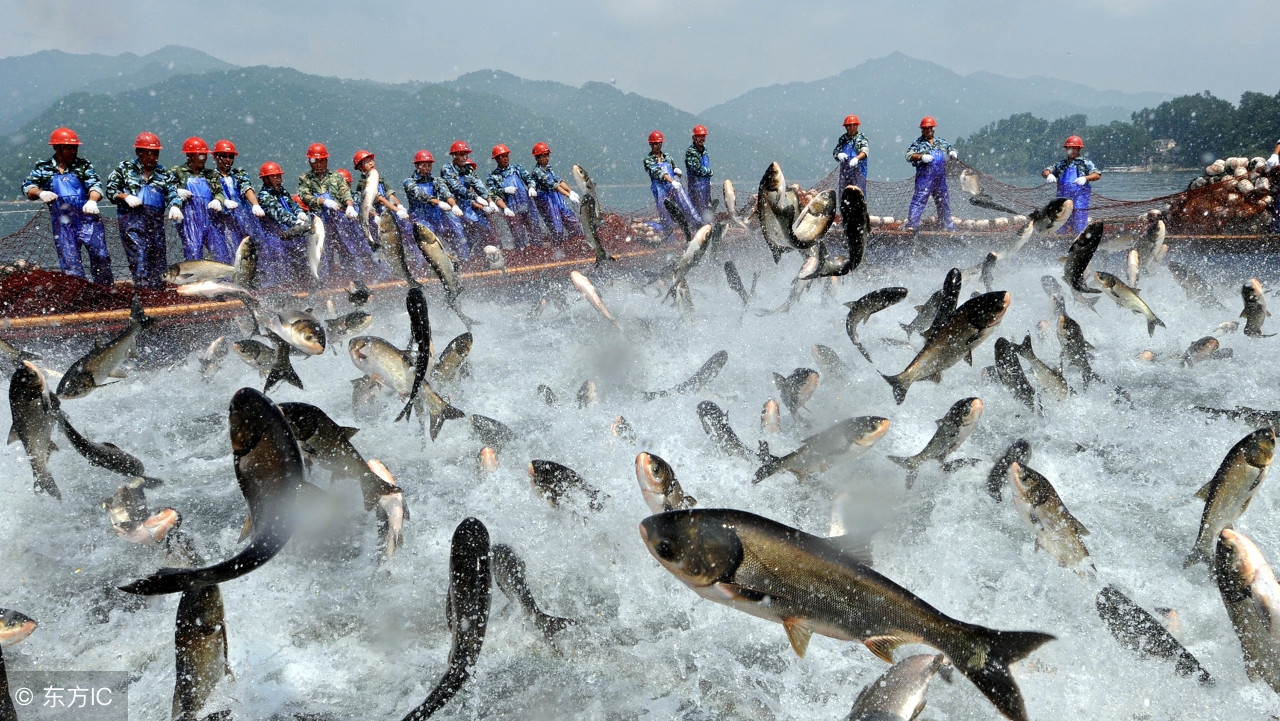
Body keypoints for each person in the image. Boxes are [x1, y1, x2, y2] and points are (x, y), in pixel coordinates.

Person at [22, 127, 113, 284]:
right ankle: (78, 296)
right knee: (70, 262)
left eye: (75, 148)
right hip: (63, 223)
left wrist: (92, 200)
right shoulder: (43, 167)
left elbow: (96, 186)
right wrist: (41, 193)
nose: (73, 151)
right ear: (57, 148)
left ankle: (106, 291)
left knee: (101, 257)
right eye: (69, 148)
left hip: (88, 220)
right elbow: (28, 187)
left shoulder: (83, 165)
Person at [103, 132, 180, 289]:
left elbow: (173, 192)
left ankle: (158, 295)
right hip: (132, 224)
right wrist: (125, 197)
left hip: (156, 225)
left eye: (156, 153)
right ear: (138, 152)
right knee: (139, 257)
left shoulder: (164, 173)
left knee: (159, 261)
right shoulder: (124, 169)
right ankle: (143, 294)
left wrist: (175, 205)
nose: (152, 157)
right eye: (149, 153)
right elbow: (110, 190)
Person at [297, 142, 369, 280]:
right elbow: (305, 196)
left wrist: (349, 206)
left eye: (321, 161)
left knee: (348, 247)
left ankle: (355, 278)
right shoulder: (305, 179)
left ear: (326, 161)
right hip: (318, 220)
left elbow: (345, 192)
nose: (318, 164)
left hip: (338, 219)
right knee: (323, 251)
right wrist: (323, 201)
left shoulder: (336, 177)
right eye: (314, 161)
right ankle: (323, 281)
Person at [212, 139, 279, 282]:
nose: (228, 160)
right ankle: (232, 287)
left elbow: (247, 188)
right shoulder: (211, 176)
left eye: (231, 156)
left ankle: (264, 283)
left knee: (256, 251)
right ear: (215, 157)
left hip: (244, 220)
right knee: (229, 255)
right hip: (225, 224)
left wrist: (255, 204)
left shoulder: (239, 174)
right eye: (224, 156)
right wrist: (223, 201)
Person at [170, 137, 233, 263]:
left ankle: (225, 282)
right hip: (190, 220)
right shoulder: (178, 172)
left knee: (220, 253)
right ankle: (194, 282)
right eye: (200, 155)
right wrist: (176, 191)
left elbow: (219, 192)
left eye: (205, 155)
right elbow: (167, 188)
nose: (203, 158)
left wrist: (218, 200)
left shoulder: (211, 175)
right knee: (193, 253)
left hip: (211, 220)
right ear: (190, 156)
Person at [402, 149, 469, 257]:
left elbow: (446, 193)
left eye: (429, 165)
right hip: (419, 217)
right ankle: (423, 265)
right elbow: (420, 195)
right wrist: (438, 202)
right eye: (424, 165)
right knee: (427, 236)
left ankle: (464, 258)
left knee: (456, 226)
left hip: (437, 216)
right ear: (417, 166)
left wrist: (454, 205)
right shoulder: (409, 182)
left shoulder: (436, 180)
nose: (427, 168)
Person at [256, 161, 310, 288]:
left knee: (302, 257)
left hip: (290, 234)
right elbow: (279, 213)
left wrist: (300, 213)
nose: (278, 179)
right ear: (266, 179)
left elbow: (293, 205)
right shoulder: (264, 196)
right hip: (274, 237)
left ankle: (302, 283)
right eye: (274, 177)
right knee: (279, 264)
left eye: (279, 176)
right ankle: (278, 289)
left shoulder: (282, 192)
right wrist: (295, 221)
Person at [643, 130, 700, 242]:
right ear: (650, 144)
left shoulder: (667, 157)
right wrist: (671, 181)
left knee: (685, 203)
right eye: (655, 143)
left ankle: (697, 225)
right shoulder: (648, 160)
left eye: (659, 143)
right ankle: (670, 240)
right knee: (665, 213)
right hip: (660, 188)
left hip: (672, 186)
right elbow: (658, 172)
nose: (658, 146)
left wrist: (676, 170)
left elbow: (673, 166)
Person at [440, 141, 493, 259]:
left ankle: (481, 256)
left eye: (466, 154)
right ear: (454, 155)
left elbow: (478, 183)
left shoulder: (469, 169)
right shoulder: (447, 169)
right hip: (452, 207)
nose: (465, 157)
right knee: (459, 233)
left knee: (484, 228)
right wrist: (475, 197)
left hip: (467, 205)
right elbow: (456, 187)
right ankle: (465, 260)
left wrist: (489, 200)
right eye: (462, 154)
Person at [904, 116, 957, 232]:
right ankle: (912, 224)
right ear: (922, 130)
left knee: (943, 200)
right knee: (919, 199)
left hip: (940, 178)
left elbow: (950, 148)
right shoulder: (917, 143)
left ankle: (947, 226)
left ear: (933, 129)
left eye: (930, 128)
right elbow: (908, 155)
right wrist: (921, 156)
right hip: (924, 178)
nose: (928, 130)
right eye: (925, 128)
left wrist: (952, 152)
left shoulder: (941, 142)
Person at [1042, 135, 1101, 234]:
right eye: (1070, 148)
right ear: (1066, 149)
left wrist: (1085, 178)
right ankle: (1061, 241)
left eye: (1075, 148)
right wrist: (1049, 175)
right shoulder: (1060, 164)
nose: (1072, 150)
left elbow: (1097, 174)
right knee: (1060, 222)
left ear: (1079, 149)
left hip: (1080, 199)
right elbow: (1045, 171)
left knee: (1079, 221)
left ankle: (1078, 240)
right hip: (1062, 199)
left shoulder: (1085, 163)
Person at [487, 144, 539, 249]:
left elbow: (529, 179)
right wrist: (504, 190)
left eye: (506, 155)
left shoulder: (517, 168)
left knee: (534, 227)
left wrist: (531, 187)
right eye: (502, 157)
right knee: (517, 232)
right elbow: (491, 192)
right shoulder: (493, 176)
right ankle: (522, 251)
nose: (505, 159)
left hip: (526, 203)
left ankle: (538, 248)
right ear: (496, 159)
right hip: (511, 207)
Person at [529, 142, 583, 245]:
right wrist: (568, 195)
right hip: (546, 202)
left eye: (547, 155)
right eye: (544, 156)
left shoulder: (549, 169)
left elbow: (559, 181)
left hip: (556, 199)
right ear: (537, 158)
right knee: (557, 229)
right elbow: (554, 185)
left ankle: (577, 244)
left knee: (572, 222)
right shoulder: (537, 172)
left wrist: (571, 191)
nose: (547, 158)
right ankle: (558, 250)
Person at [832, 115, 869, 206]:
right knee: (844, 196)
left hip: (858, 172)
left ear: (857, 126)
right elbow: (835, 152)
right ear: (845, 127)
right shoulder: (843, 139)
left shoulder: (861, 139)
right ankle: (844, 217)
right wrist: (838, 155)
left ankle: (859, 218)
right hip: (845, 173)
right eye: (849, 126)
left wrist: (857, 158)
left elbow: (865, 151)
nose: (851, 128)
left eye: (853, 125)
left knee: (858, 195)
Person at [685, 125, 713, 222]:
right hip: (696, 187)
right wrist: (709, 172)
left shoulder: (704, 150)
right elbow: (696, 169)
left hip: (705, 186)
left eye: (703, 136)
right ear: (694, 138)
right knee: (698, 211)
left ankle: (707, 229)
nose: (702, 139)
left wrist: (707, 180)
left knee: (707, 210)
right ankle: (699, 229)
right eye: (700, 136)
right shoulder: (691, 152)